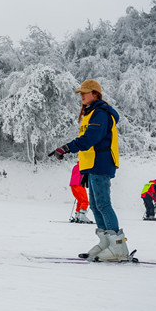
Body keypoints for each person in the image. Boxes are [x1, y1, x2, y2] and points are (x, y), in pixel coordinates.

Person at [49, 79, 126, 261]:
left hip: (101, 163)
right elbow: (89, 142)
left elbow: (90, 138)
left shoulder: (100, 113)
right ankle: (106, 242)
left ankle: (118, 246)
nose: (82, 95)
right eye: (81, 93)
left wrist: (66, 148)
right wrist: (84, 168)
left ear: (95, 94)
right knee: (94, 205)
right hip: (92, 165)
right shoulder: (91, 113)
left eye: (85, 92)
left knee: (103, 204)